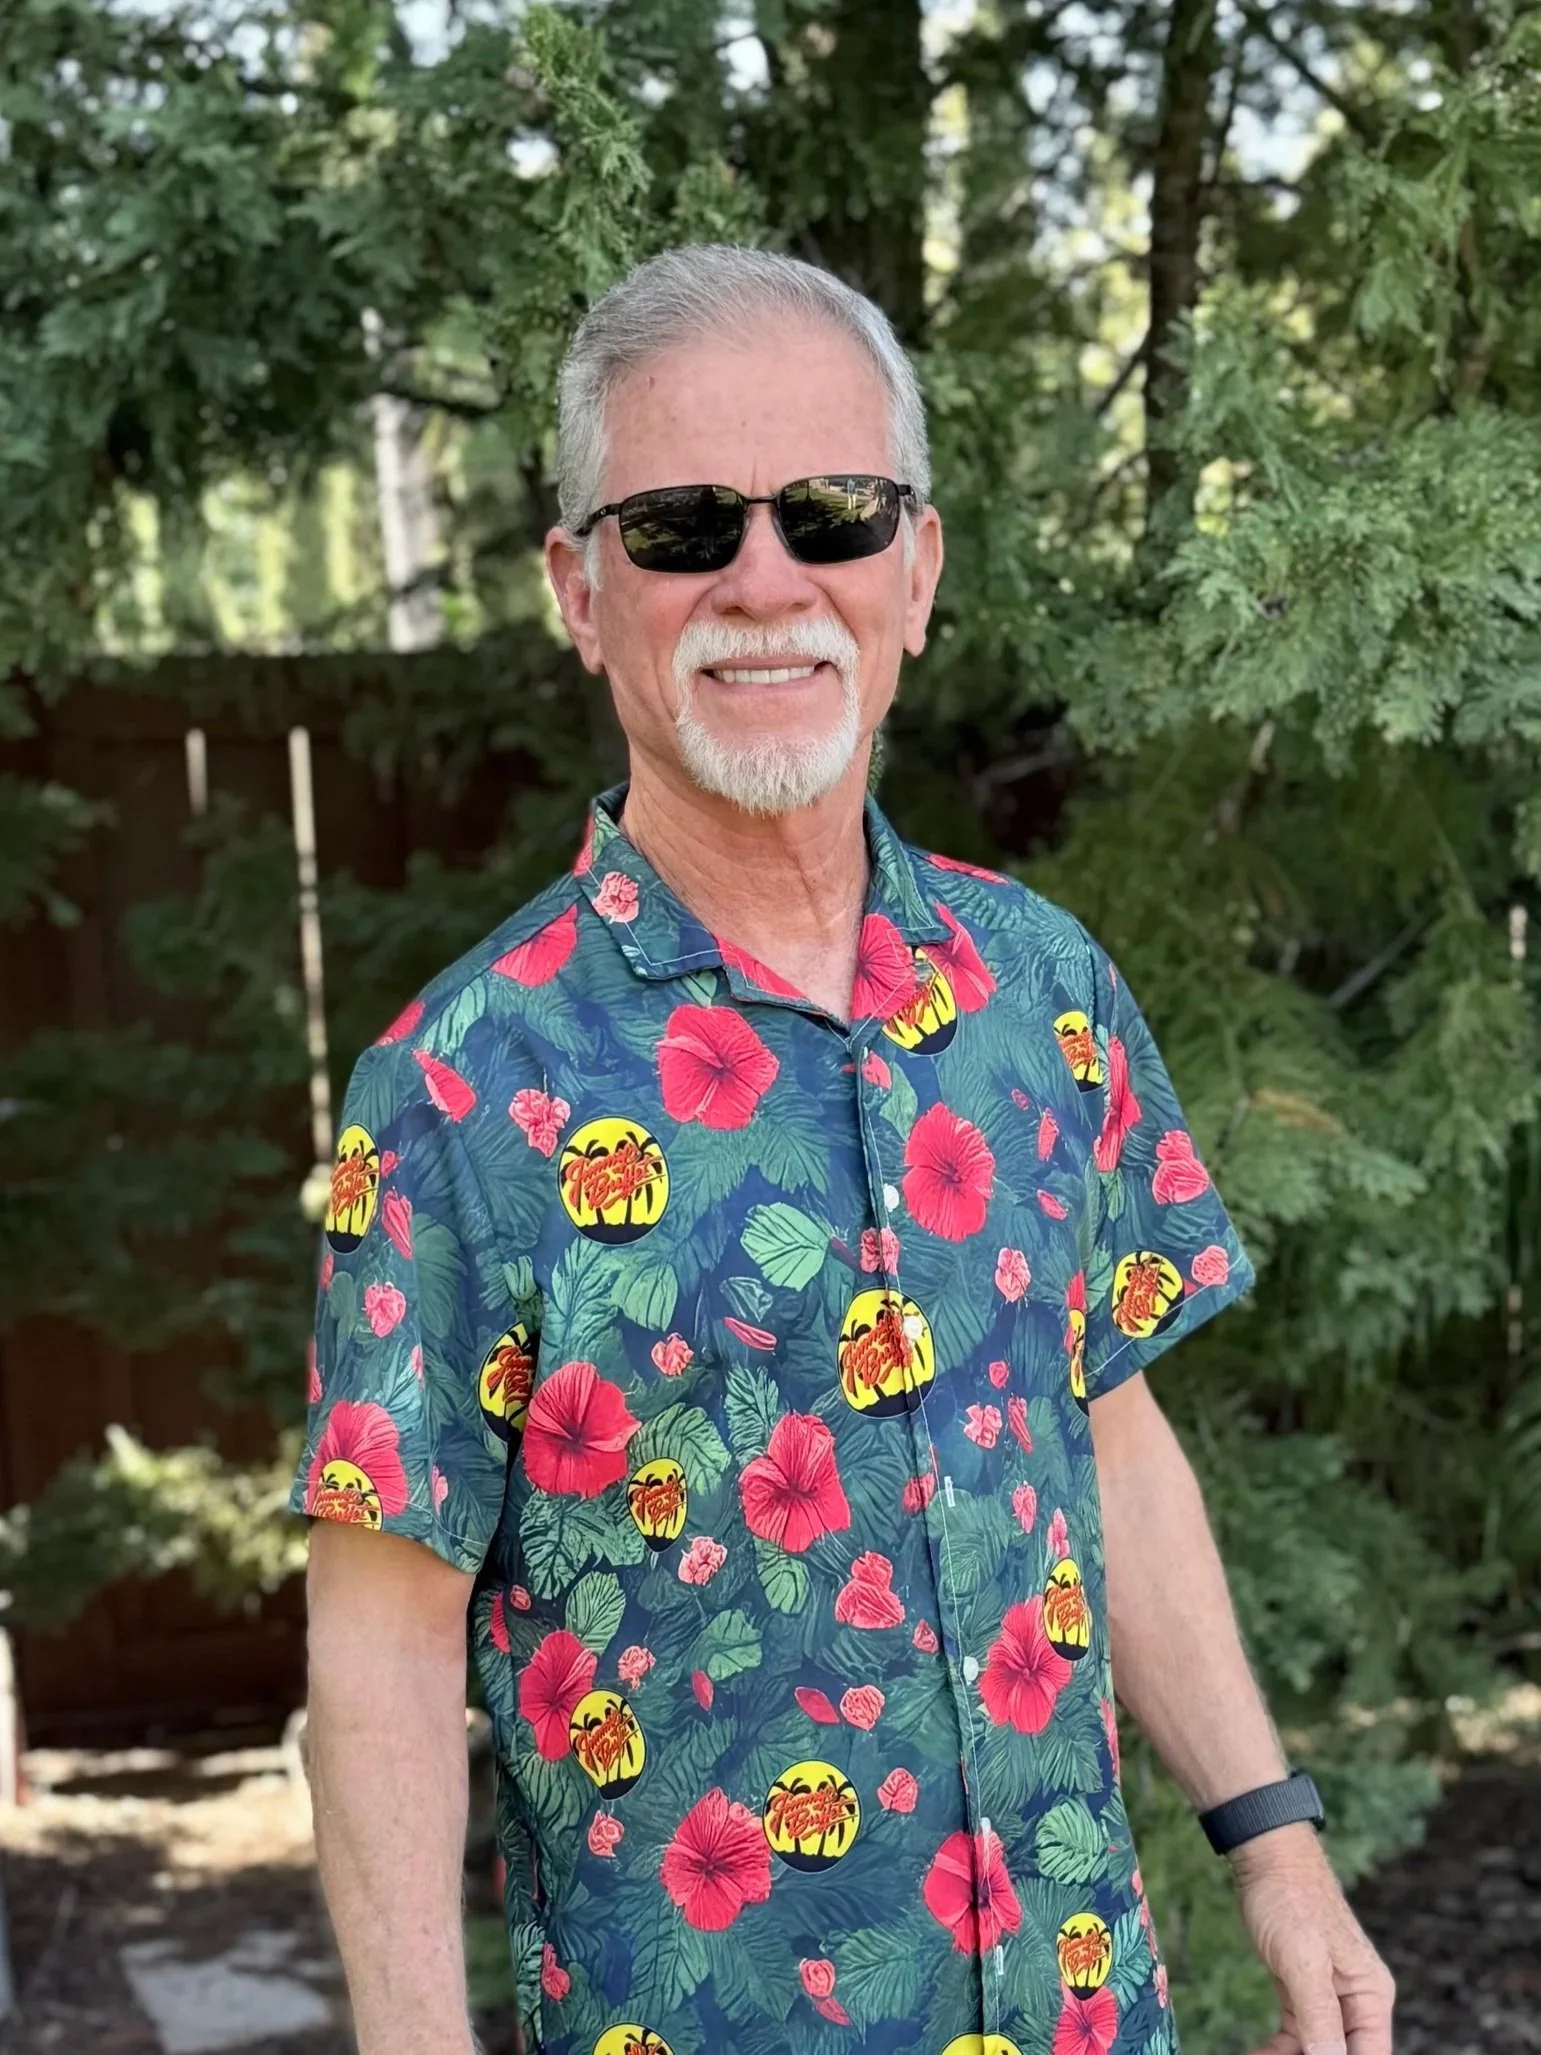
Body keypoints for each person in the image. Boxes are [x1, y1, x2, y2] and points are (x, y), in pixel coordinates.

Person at [294, 244, 1394, 2055]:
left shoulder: (1044, 989)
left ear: (919, 571)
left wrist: (1275, 1845)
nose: (764, 581)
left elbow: (1102, 1419)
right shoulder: (457, 1090)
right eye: (679, 528)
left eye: (830, 513)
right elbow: (386, 1643)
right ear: (581, 589)